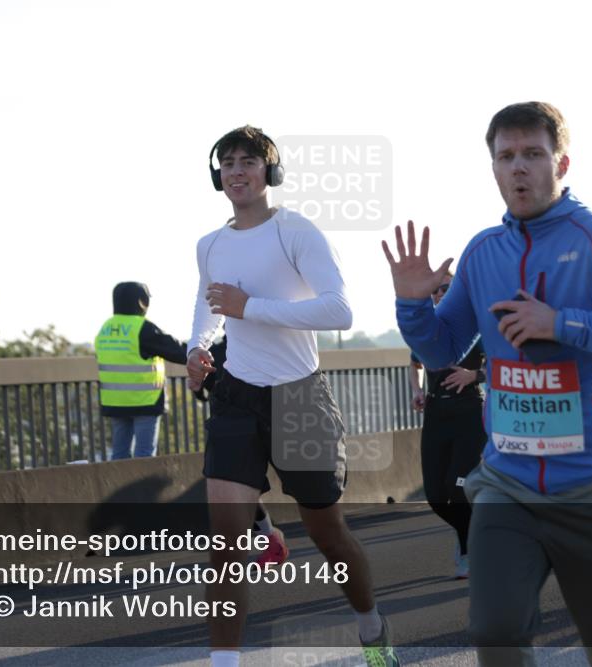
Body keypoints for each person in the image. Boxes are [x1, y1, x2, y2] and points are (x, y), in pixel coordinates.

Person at [383, 101, 592, 667]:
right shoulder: (482, 251)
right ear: (493, 168)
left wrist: (562, 324)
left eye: (533, 154)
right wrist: (410, 304)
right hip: (508, 481)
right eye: (506, 156)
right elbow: (441, 349)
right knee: (495, 631)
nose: (518, 168)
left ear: (562, 163)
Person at [187, 126, 398, 667]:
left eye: (249, 161)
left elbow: (338, 311)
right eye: (228, 163)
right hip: (237, 395)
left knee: (327, 534)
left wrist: (249, 306)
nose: (237, 171)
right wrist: (197, 348)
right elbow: (209, 306)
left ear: (270, 172)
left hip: (300, 398)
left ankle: (372, 633)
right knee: (225, 546)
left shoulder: (296, 232)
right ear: (218, 176)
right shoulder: (210, 244)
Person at [409, 270, 487, 578]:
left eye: (447, 289)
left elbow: (500, 364)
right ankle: (474, 531)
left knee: (458, 490)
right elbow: (414, 361)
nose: (440, 294)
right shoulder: (426, 331)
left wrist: (473, 375)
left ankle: (470, 549)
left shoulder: (478, 327)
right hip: (436, 415)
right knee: (436, 497)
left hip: (469, 413)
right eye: (436, 290)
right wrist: (417, 390)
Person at [193, 336, 289, 567]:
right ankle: (269, 540)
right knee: (241, 485)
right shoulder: (222, 350)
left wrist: (199, 386)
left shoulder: (219, 350)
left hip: (251, 423)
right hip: (238, 425)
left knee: (244, 486)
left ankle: (269, 540)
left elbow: (204, 386)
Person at [94, 281, 187, 459]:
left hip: (116, 402)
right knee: (144, 456)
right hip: (145, 401)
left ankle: (119, 485)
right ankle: (138, 488)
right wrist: (200, 352)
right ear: (142, 302)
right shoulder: (141, 328)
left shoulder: (105, 328)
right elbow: (175, 350)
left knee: (119, 455)